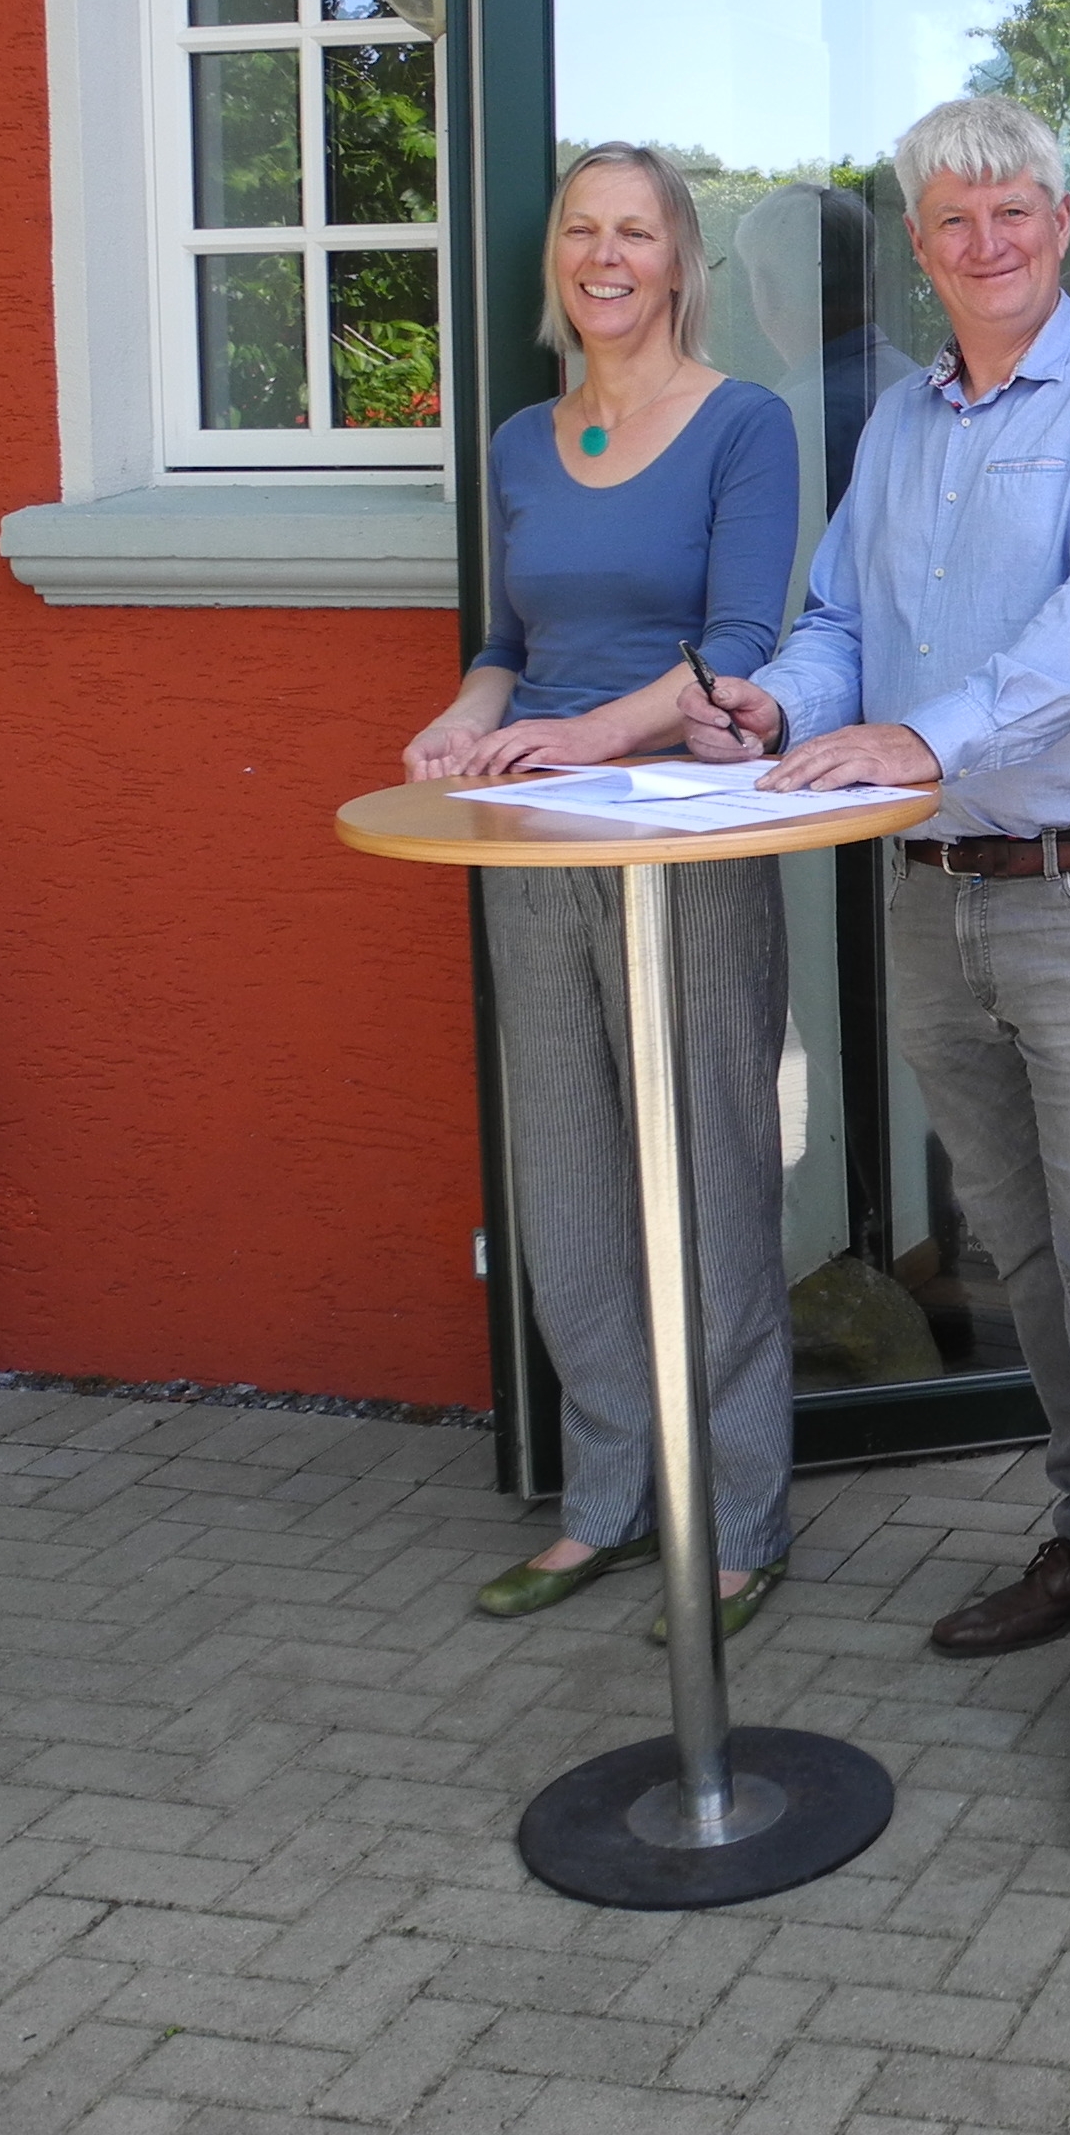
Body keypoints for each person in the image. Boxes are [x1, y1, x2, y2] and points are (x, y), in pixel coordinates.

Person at [683, 94, 1070, 1859]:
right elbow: (843, 617)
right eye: (947, 218)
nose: (982, 237)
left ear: (1060, 222)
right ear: (915, 250)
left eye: (1011, 208)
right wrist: (786, 701)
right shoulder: (903, 425)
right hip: (937, 894)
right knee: (1023, 1259)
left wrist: (915, 729)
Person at [402, 145, 806, 1640]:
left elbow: (743, 641)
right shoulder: (520, 440)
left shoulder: (742, 424)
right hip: (532, 837)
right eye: (583, 228)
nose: (606, 254)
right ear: (558, 259)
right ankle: (607, 1502)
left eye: (637, 230)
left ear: (679, 259)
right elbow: (506, 638)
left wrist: (591, 733)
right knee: (564, 1176)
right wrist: (469, 714)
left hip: (683, 838)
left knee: (707, 1174)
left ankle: (745, 1517)